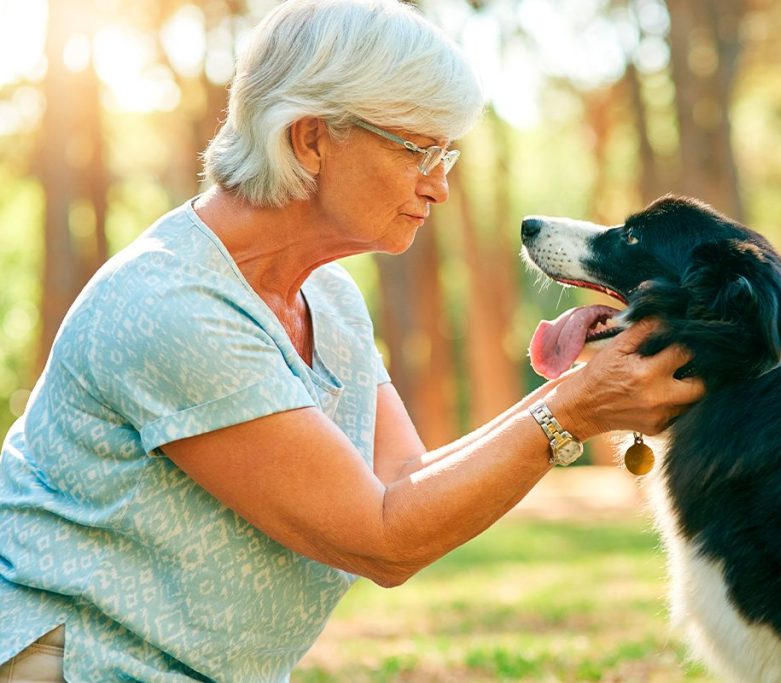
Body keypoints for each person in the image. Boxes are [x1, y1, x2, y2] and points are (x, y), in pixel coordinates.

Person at [0, 0, 704, 680]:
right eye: (419, 151)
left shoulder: (327, 296)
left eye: (447, 156)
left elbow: (400, 482)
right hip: (74, 663)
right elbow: (384, 537)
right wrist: (576, 407)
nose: (439, 188)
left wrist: (574, 395)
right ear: (310, 138)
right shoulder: (172, 306)